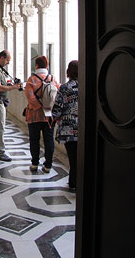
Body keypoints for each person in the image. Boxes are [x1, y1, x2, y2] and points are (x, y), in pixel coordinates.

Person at [24, 56, 59, 173]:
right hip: (49, 116)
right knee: (49, 140)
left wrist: (39, 106)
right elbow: (57, 95)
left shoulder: (32, 79)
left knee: (34, 139)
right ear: (47, 66)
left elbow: (30, 97)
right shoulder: (53, 79)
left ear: (36, 66)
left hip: (34, 115)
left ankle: (34, 163)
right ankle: (48, 165)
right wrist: (47, 106)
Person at [52, 60, 79, 191]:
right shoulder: (87, 86)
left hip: (68, 128)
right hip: (83, 127)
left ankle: (74, 181)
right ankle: (76, 181)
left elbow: (57, 108)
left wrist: (56, 117)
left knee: (73, 157)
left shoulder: (64, 88)